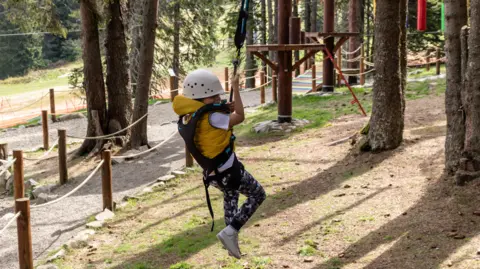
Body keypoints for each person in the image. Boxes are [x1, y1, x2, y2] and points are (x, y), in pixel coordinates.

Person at [172, 69, 266, 259]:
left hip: (213, 175)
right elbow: (239, 116)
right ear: (201, 97)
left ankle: (231, 243)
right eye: (213, 96)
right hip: (229, 171)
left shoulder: (189, 116)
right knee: (257, 194)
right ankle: (231, 231)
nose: (217, 98)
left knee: (231, 196)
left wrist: (221, 108)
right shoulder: (214, 117)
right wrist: (235, 89)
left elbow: (212, 125)